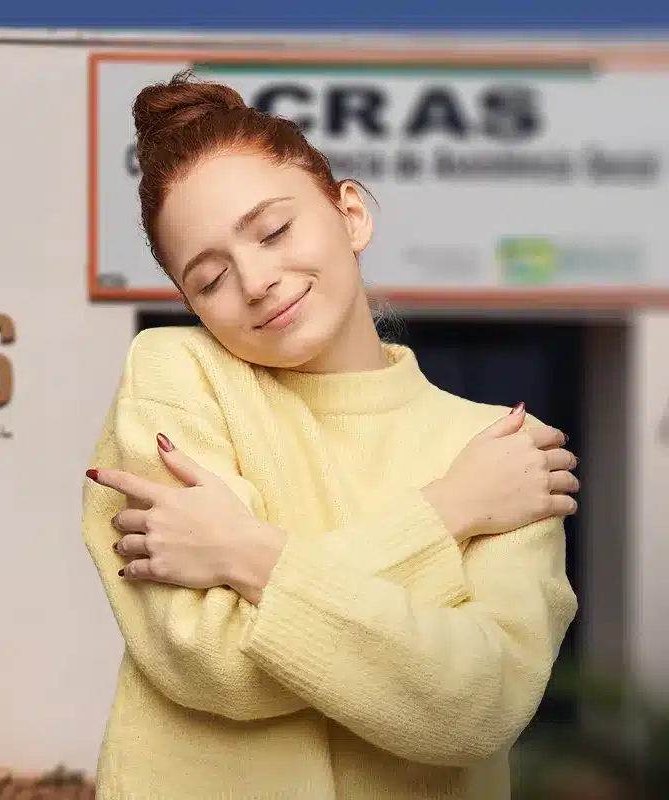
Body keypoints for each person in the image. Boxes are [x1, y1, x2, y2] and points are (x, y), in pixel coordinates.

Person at [80, 70, 580, 800]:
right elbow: (208, 656)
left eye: (274, 231)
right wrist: (448, 513)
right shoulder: (178, 375)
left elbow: (476, 707)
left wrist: (243, 552)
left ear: (350, 214)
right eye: (210, 279)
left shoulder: (506, 449)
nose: (255, 281)